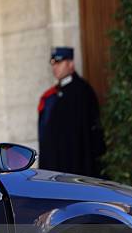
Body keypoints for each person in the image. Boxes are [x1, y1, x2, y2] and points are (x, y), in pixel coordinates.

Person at [37, 46, 106, 177]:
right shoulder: (53, 94)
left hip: (76, 166)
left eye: (59, 63)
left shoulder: (82, 91)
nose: (55, 67)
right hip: (55, 165)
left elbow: (87, 134)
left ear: (71, 64)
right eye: (53, 64)